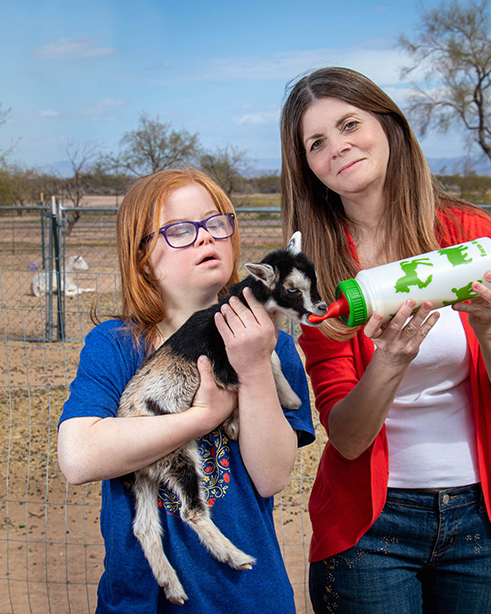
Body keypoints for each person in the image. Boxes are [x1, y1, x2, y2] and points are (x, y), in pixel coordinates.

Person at [279, 67, 491, 614]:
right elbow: (347, 438)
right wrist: (391, 359)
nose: (337, 147)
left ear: (389, 126)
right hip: (370, 531)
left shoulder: (469, 234)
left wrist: (488, 325)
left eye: (350, 124)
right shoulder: (316, 277)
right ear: (308, 168)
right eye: (316, 143)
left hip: (481, 523)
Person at [57, 168, 315, 613]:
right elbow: (79, 458)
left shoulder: (272, 346)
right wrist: (202, 418)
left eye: (216, 223)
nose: (205, 237)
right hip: (141, 603)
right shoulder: (117, 345)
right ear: (142, 257)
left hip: (249, 600)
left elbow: (272, 476)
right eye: (179, 230)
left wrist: (256, 365)